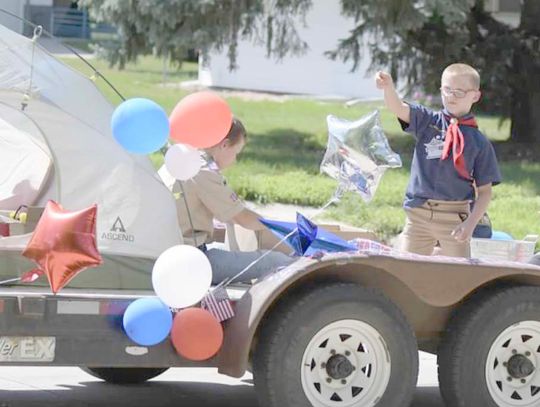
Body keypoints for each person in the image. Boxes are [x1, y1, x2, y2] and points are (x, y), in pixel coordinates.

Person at [375, 63, 501, 257]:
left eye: (459, 92)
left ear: (475, 96)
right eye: (447, 90)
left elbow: (484, 192)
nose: (451, 96)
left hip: (455, 217)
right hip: (419, 214)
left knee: (455, 274)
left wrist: (470, 224)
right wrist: (388, 87)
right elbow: (397, 107)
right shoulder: (428, 121)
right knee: (408, 268)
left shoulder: (479, 143)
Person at [173, 118, 294, 284]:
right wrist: (283, 228)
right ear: (224, 145)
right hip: (190, 261)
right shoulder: (203, 171)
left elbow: (229, 214)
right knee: (279, 261)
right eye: (236, 152)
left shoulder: (184, 159)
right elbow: (242, 218)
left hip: (173, 253)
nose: (235, 160)